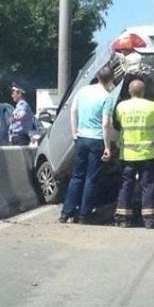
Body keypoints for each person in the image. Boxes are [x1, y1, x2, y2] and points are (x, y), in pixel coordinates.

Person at [59, 66, 115, 224]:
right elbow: (105, 124)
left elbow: (73, 110)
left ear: (97, 76)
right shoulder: (107, 97)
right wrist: (107, 146)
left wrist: (74, 131)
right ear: (111, 79)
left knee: (77, 176)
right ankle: (84, 214)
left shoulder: (83, 91)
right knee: (91, 178)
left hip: (81, 138)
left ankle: (66, 212)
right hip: (97, 140)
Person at [114, 79, 154, 228]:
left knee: (126, 185)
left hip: (127, 154)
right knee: (147, 186)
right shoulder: (152, 106)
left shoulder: (121, 106)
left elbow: (118, 124)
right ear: (144, 91)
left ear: (129, 91)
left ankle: (123, 219)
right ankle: (149, 219)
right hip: (146, 154)